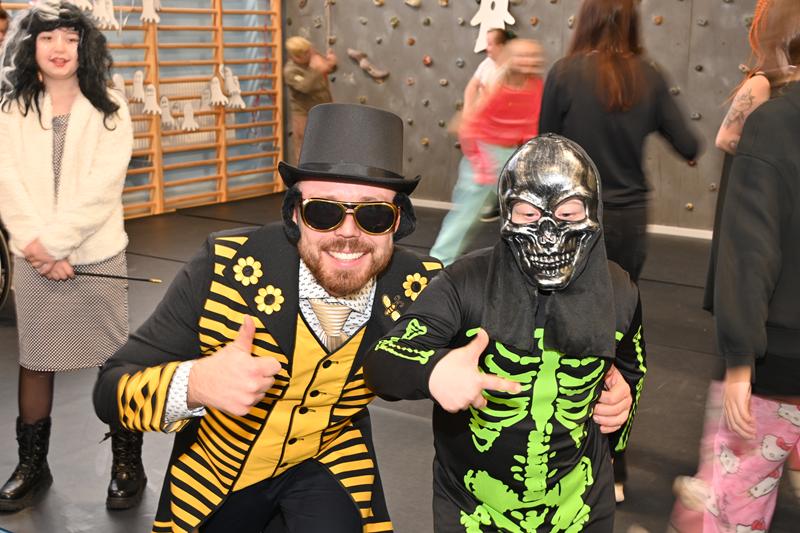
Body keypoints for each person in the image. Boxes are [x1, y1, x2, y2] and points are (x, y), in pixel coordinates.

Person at [93, 103, 438, 533]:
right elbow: (110, 389)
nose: (348, 233)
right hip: (220, 468)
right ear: (294, 214)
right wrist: (195, 383)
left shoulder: (419, 287)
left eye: (373, 214)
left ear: (398, 222)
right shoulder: (223, 267)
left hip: (328, 458)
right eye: (323, 212)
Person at [365, 134, 646, 532]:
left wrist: (622, 407)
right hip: (475, 508)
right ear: (505, 215)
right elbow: (383, 361)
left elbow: (633, 367)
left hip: (580, 506)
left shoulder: (618, 290)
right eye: (528, 215)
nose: (548, 234)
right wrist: (433, 370)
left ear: (593, 212)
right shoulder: (465, 283)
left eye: (568, 214)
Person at [538, 0, 700, 502]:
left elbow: (542, 147)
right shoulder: (648, 76)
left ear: (585, 19)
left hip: (573, 218)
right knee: (618, 332)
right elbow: (690, 144)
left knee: (564, 328)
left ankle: (559, 443)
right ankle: (616, 460)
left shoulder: (565, 73)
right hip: (628, 223)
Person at [0, 1, 141, 513]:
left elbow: (103, 187)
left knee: (113, 363)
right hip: (34, 257)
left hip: (95, 256)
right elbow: (7, 182)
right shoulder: (12, 107)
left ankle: (127, 464)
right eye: (48, 37)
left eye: (71, 38)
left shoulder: (110, 105)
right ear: (30, 45)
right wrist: (37, 248)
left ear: (86, 47)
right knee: (36, 362)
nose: (59, 48)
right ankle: (32, 466)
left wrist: (57, 244)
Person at [703, 64, 800, 533]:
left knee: (738, 507)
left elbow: (751, 249)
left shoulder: (776, 122)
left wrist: (740, 360)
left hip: (778, 360)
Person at [430, 38, 545, 266]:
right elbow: (469, 127)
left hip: (514, 155)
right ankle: (438, 262)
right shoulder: (497, 86)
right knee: (465, 216)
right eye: (522, 55)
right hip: (485, 153)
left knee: (529, 213)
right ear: (509, 59)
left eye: (533, 56)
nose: (528, 60)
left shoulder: (536, 86)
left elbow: (530, 124)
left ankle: (530, 263)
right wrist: (481, 163)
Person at [283, 35, 336, 165]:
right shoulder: (290, 70)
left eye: (309, 50)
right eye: (306, 53)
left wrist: (331, 63)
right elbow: (305, 86)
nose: (311, 53)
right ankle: (304, 176)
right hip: (305, 115)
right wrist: (316, 69)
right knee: (305, 151)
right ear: (296, 57)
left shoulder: (312, 57)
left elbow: (328, 68)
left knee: (327, 146)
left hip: (324, 111)